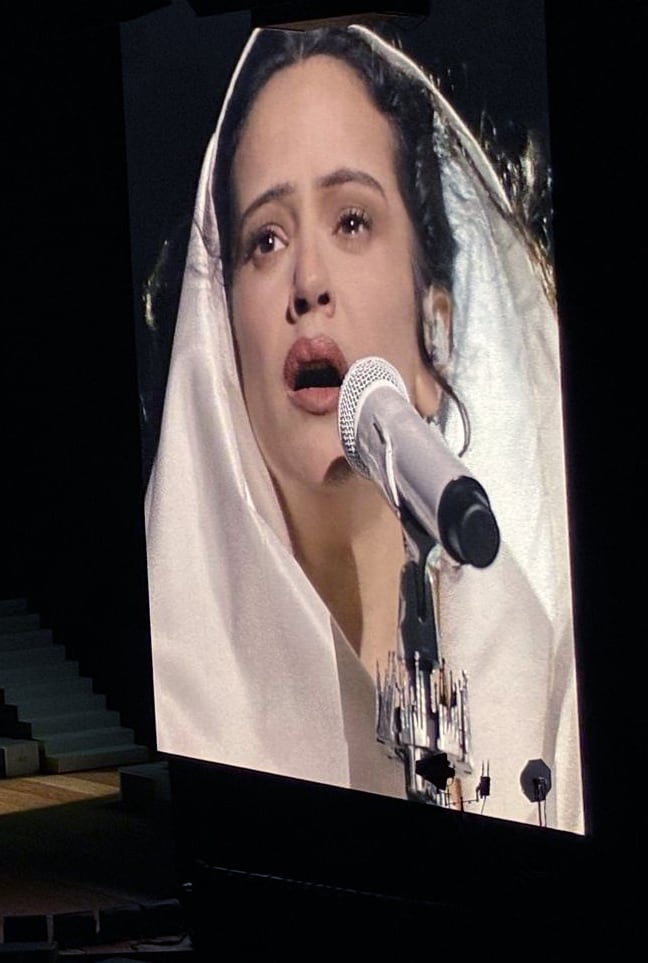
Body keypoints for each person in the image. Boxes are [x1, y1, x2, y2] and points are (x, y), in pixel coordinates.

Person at [143, 25, 582, 831]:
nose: (308, 282)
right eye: (265, 240)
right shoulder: (179, 682)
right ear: (222, 338)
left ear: (435, 323)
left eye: (351, 221)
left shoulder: (555, 682)